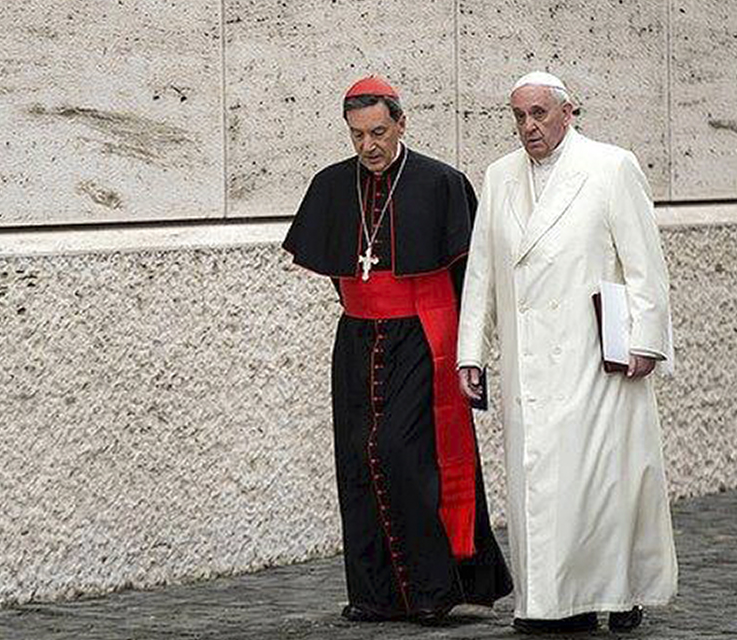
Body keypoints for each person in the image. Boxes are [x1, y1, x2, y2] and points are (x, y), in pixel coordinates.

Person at [282, 75, 512, 623]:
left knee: (406, 457)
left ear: (401, 124)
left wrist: (463, 347)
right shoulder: (332, 184)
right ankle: (375, 594)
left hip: (418, 339)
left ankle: (433, 591)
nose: (369, 146)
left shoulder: (439, 183)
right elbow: (339, 271)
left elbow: (468, 275)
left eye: (379, 132)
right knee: (359, 457)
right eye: (357, 135)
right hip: (358, 341)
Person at [455, 72, 678, 635]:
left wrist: (647, 340)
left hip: (593, 357)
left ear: (568, 112)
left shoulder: (610, 167)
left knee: (601, 481)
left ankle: (618, 590)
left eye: (539, 114)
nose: (528, 127)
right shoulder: (501, 176)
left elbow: (644, 263)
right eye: (519, 117)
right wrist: (470, 353)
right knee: (538, 484)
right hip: (528, 364)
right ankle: (549, 602)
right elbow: (481, 271)